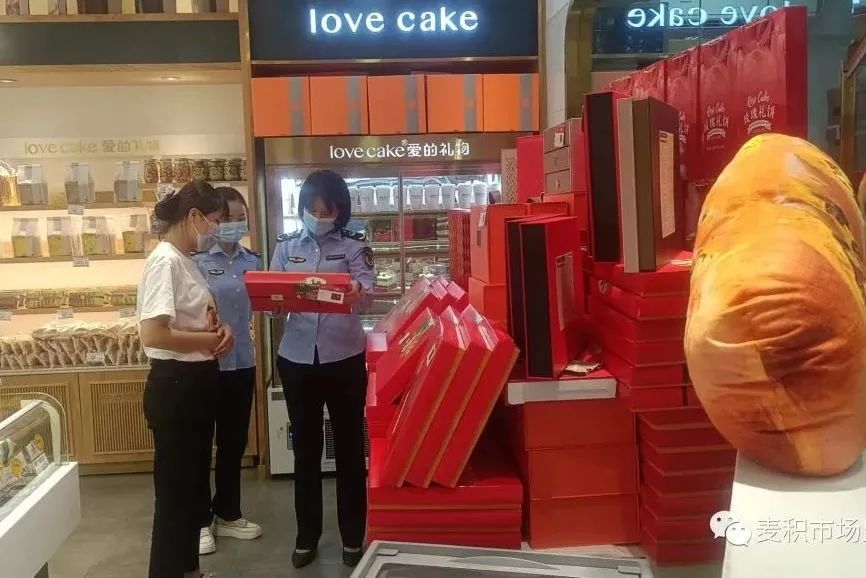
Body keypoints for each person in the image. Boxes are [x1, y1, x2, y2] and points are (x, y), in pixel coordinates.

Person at [270, 169, 374, 569]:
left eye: (326, 211)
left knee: (349, 450)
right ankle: (306, 537)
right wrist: (274, 303)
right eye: (311, 209)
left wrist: (356, 291)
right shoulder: (285, 247)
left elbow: (367, 294)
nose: (318, 217)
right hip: (297, 359)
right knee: (306, 452)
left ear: (339, 212)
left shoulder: (354, 246)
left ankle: (352, 537)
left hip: (344, 357)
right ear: (301, 209)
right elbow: (274, 295)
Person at [137, 181, 234, 578]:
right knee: (174, 494)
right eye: (214, 221)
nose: (216, 229)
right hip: (176, 386)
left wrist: (220, 331)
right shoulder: (165, 261)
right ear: (193, 217)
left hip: (196, 382)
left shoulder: (185, 259)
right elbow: (154, 334)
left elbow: (193, 319)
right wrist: (209, 341)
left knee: (192, 490)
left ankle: (189, 571)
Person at [194, 187, 263, 555]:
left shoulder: (254, 261)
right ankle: (200, 520)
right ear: (213, 221)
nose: (235, 225)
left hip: (242, 361)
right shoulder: (196, 262)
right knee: (201, 443)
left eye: (241, 218)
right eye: (227, 218)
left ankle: (228, 513)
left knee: (234, 443)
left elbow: (266, 303)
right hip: (207, 363)